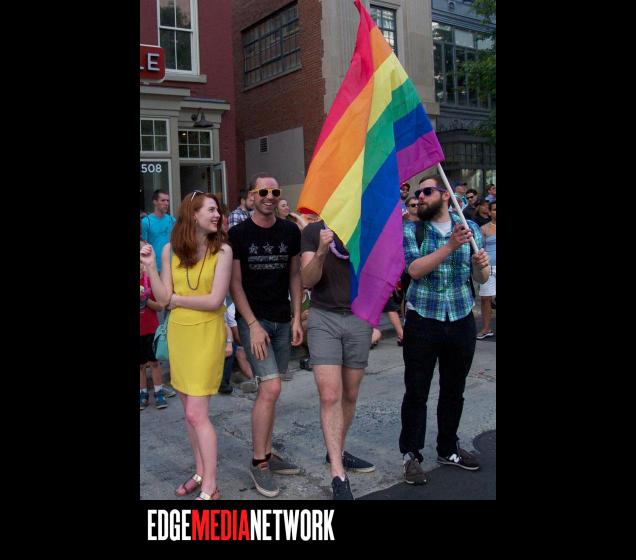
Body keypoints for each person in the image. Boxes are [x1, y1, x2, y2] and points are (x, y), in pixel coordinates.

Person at [140, 191, 232, 501]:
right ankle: (200, 472)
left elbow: (215, 300)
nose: (217, 215)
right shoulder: (169, 250)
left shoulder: (223, 251)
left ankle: (211, 484)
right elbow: (162, 297)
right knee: (189, 412)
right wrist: (150, 266)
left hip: (206, 335)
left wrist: (176, 300)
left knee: (196, 414)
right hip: (179, 336)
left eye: (217, 210)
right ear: (193, 214)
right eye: (211, 209)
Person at [399, 175, 490, 485]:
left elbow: (480, 277)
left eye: (427, 191)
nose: (420, 197)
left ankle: (448, 448)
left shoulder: (469, 227)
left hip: (461, 317)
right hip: (423, 319)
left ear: (445, 195)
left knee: (454, 389)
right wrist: (451, 245)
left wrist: (480, 264)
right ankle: (411, 455)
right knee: (417, 390)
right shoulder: (413, 230)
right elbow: (414, 270)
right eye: (417, 193)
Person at [229, 172, 303, 498]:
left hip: (282, 320)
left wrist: (297, 316)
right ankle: (259, 462)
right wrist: (252, 324)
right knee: (270, 388)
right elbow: (234, 284)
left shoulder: (289, 231)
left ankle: (269, 453)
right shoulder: (238, 234)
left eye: (275, 191)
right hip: (253, 320)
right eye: (263, 192)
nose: (270, 197)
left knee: (270, 390)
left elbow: (296, 275)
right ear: (252, 196)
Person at [301, 221, 376, 500]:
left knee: (350, 394)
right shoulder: (313, 231)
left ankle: (337, 450)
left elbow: (380, 272)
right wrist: (322, 250)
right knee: (330, 395)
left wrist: (375, 315)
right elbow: (308, 279)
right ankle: (338, 472)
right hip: (324, 318)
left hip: (360, 317)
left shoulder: (366, 224)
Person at [140, 243, 169, 410]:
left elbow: (160, 306)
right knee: (140, 365)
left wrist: (146, 300)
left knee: (154, 362)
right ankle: (143, 393)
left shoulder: (151, 280)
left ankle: (159, 392)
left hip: (151, 329)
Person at [141, 190, 176, 273]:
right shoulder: (146, 221)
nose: (166, 203)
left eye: (167, 201)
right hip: (154, 267)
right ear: (155, 202)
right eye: (163, 200)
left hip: (171, 265)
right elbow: (143, 244)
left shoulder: (172, 220)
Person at [477, 200, 496, 339]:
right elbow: (479, 248)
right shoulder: (483, 228)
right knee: (485, 298)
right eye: (494, 209)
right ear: (489, 212)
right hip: (489, 267)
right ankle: (486, 328)